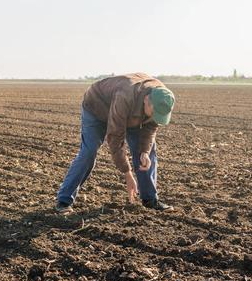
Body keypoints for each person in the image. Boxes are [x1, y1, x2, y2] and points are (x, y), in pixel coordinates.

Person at [55, 72, 175, 213]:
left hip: (132, 115)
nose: (156, 117)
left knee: (148, 154)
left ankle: (150, 199)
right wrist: (127, 172)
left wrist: (145, 151)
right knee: (89, 151)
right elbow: (115, 137)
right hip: (97, 108)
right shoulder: (125, 96)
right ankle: (64, 200)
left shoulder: (163, 98)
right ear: (147, 100)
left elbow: (151, 127)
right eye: (154, 113)